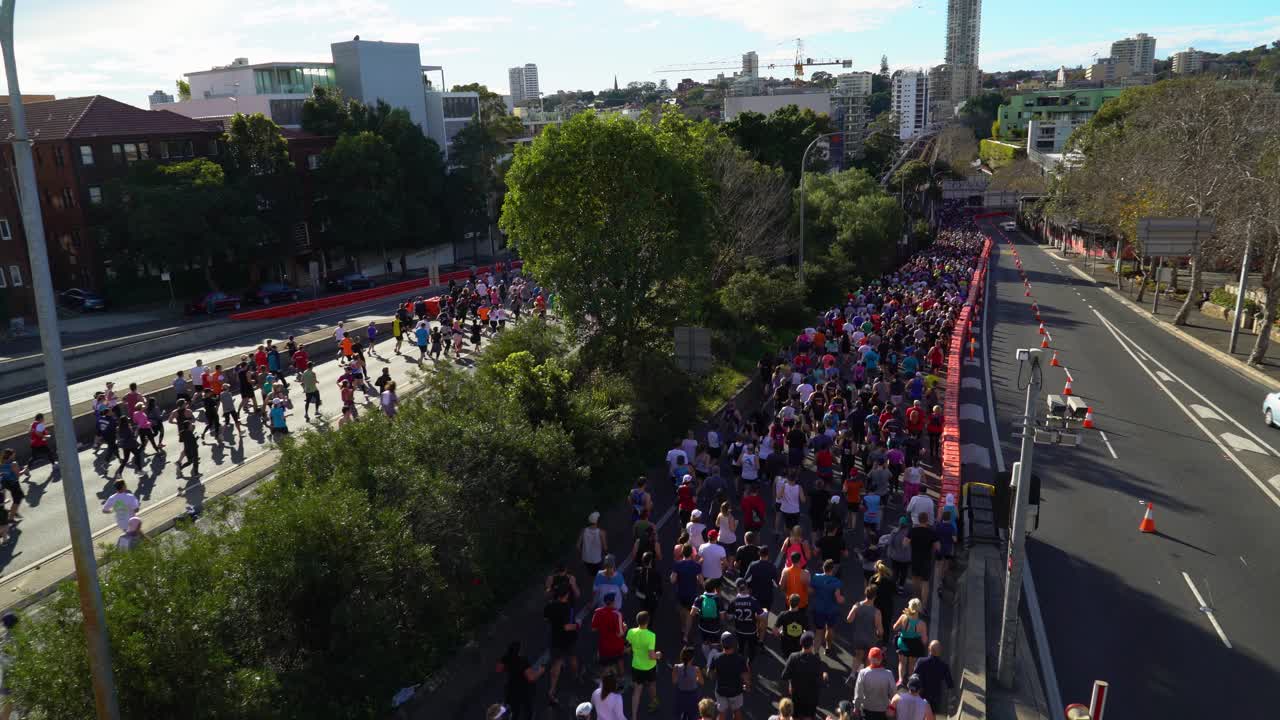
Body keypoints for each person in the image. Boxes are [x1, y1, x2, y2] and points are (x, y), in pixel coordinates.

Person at [543, 582, 579, 707]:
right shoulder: (567, 608)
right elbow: (567, 627)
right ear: (566, 595)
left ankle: (552, 690)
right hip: (568, 639)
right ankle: (576, 676)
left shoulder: (549, 606)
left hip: (555, 639)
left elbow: (546, 619)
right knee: (573, 658)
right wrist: (577, 625)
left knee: (556, 664)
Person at [780, 632, 826, 720]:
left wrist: (791, 682)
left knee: (795, 717)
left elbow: (784, 676)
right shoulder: (816, 660)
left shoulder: (793, 657)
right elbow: (819, 682)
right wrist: (824, 676)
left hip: (796, 697)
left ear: (801, 644)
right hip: (811, 699)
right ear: (812, 645)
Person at [625, 610, 661, 717]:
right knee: (652, 685)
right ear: (647, 622)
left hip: (636, 666)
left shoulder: (631, 632)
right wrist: (658, 655)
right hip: (650, 667)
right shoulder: (651, 635)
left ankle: (634, 716)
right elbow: (651, 655)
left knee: (637, 691)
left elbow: (626, 649)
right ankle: (654, 703)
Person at [496, 641, 543, 720]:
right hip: (524, 691)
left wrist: (506, 662)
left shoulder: (506, 659)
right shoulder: (523, 661)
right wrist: (540, 671)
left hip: (511, 690)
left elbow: (498, 669)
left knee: (514, 712)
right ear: (519, 651)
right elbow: (531, 678)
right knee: (527, 712)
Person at [709, 632, 750, 720]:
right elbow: (745, 676)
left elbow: (711, 674)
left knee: (722, 713)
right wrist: (747, 686)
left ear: (722, 644)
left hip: (721, 691)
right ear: (734, 644)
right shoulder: (740, 659)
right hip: (736, 691)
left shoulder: (716, 657)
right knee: (737, 711)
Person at [808, 559, 844, 656]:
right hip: (831, 610)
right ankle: (828, 647)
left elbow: (810, 591)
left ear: (823, 568)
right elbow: (838, 598)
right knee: (830, 629)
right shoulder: (836, 582)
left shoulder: (816, 577)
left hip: (819, 609)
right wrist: (842, 599)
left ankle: (816, 652)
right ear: (832, 569)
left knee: (818, 631)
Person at [846, 585, 884, 674]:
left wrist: (854, 609)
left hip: (858, 637)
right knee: (868, 658)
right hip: (870, 639)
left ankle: (852, 674)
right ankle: (865, 676)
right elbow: (880, 630)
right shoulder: (877, 612)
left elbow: (849, 619)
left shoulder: (857, 605)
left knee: (858, 656)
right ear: (875, 596)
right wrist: (880, 635)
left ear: (865, 593)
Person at [907, 512, 940, 614]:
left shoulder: (913, 531)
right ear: (927, 520)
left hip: (915, 559)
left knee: (915, 581)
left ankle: (915, 603)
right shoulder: (931, 532)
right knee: (925, 582)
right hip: (926, 560)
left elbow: (904, 543)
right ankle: (924, 606)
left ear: (918, 519)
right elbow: (938, 547)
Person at [671, 545, 704, 642]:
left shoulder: (677, 564)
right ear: (691, 553)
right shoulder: (696, 566)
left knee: (682, 612)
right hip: (692, 594)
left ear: (682, 553)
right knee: (689, 614)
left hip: (680, 593)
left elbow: (672, 580)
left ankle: (683, 627)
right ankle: (686, 635)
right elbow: (701, 581)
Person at [852, 647, 896, 720]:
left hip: (867, 708)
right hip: (883, 709)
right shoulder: (888, 674)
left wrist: (856, 708)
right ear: (881, 659)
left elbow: (858, 693)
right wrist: (892, 708)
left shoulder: (863, 673)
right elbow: (893, 693)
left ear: (869, 658)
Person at [591, 592, 626, 681]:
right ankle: (621, 680)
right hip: (616, 646)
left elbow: (594, 628)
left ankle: (601, 681)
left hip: (603, 646)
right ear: (613, 602)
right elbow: (620, 634)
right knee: (619, 662)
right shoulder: (617, 614)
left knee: (605, 666)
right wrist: (625, 628)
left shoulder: (597, 612)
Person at [913, 641, 954, 716]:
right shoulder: (944, 666)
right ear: (940, 651)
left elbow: (914, 677)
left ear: (929, 648)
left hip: (921, 695)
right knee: (932, 715)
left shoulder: (921, 661)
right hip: (935, 697)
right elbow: (950, 684)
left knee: (920, 715)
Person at [729, 581, 766, 664]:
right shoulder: (753, 601)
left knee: (740, 648)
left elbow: (729, 617)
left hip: (739, 630)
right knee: (751, 648)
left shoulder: (733, 601)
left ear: (738, 589)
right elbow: (762, 615)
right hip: (751, 631)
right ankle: (749, 663)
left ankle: (740, 663)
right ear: (747, 589)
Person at [894, 598, 929, 684]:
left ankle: (900, 680)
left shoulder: (903, 617)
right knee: (912, 664)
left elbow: (895, 627)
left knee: (902, 663)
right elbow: (924, 640)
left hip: (902, 642)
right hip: (914, 645)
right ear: (919, 609)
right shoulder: (922, 624)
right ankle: (910, 680)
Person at [691, 578, 726, 662]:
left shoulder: (699, 599)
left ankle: (708, 660)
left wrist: (700, 612)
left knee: (705, 643)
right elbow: (722, 617)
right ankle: (713, 660)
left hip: (703, 627)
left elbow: (692, 613)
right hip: (715, 628)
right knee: (715, 645)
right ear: (714, 589)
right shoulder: (718, 600)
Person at [672, 646, 705, 720]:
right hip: (693, 696)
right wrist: (695, 679)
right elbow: (702, 682)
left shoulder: (676, 667)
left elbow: (674, 681)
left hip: (680, 695)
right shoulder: (696, 669)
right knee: (693, 716)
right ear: (692, 658)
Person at [773, 593, 809, 658]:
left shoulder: (783, 615)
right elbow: (809, 633)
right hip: (798, 646)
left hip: (785, 644)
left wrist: (780, 635)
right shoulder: (804, 617)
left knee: (787, 660)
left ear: (789, 602)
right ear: (799, 603)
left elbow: (775, 630)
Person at [579, 511, 607, 576]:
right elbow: (605, 547)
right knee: (600, 574)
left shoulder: (583, 530)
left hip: (586, 559)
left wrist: (583, 554)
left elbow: (578, 545)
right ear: (597, 522)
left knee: (592, 574)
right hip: (596, 560)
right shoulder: (601, 532)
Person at [0, 450, 24, 521]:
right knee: (17, 499)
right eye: (13, 455)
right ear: (10, 455)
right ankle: (11, 518)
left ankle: (13, 511)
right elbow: (17, 476)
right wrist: (24, 471)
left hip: (5, 482)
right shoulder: (14, 464)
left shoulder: (1, 462)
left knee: (20, 496)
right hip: (14, 483)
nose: (14, 456)